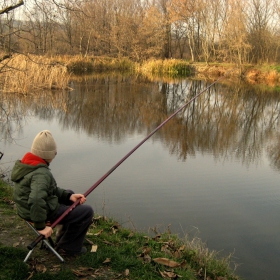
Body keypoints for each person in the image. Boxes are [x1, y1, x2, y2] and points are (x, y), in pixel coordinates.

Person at [11, 130, 94, 255]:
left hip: (26, 209)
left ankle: (62, 239)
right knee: (86, 212)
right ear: (49, 155)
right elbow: (36, 200)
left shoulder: (27, 164)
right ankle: (68, 247)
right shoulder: (41, 173)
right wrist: (41, 226)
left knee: (70, 195)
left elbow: (48, 189)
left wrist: (69, 196)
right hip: (38, 212)